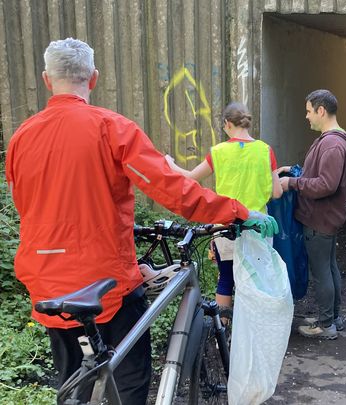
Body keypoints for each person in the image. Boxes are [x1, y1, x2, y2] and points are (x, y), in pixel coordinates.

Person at [5, 38, 277, 405]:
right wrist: (239, 211)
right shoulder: (111, 128)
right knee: (132, 380)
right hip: (104, 281)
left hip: (46, 283)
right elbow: (175, 190)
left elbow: (31, 207)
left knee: (73, 384)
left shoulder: (21, 137)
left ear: (46, 80)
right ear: (95, 78)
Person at [165, 101, 282, 313]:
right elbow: (276, 193)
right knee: (258, 280)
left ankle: (223, 333)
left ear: (227, 124)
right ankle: (254, 329)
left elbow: (191, 178)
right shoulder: (266, 151)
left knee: (226, 278)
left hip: (226, 226)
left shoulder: (218, 152)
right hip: (258, 228)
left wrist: (170, 163)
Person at [279, 89, 346, 340]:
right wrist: (294, 171)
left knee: (322, 271)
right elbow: (319, 174)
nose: (306, 116)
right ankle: (333, 317)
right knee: (329, 267)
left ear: (321, 111)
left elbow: (326, 184)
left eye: (308, 111)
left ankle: (326, 325)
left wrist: (291, 183)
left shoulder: (332, 145)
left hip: (319, 219)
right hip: (328, 218)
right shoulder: (335, 140)